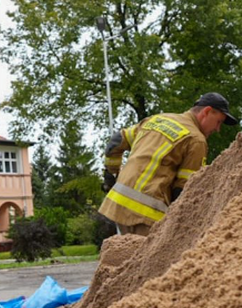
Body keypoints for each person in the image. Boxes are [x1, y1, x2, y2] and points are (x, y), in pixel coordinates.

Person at [98, 92, 237, 236]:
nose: (217, 129)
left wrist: (110, 175)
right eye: (218, 122)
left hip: (118, 204)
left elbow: (115, 142)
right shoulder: (196, 140)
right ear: (207, 111)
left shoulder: (157, 120)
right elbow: (185, 190)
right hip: (149, 215)